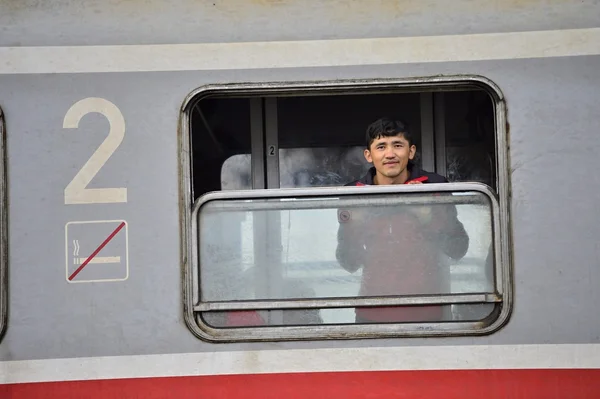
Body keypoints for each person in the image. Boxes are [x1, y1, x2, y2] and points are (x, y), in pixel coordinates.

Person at [335, 117, 469, 323]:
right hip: (371, 313)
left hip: (430, 313)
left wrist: (426, 218)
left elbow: (458, 249)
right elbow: (348, 262)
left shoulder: (434, 187)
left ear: (411, 151)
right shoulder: (355, 193)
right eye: (381, 146)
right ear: (368, 155)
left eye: (398, 145)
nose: (390, 154)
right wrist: (355, 226)